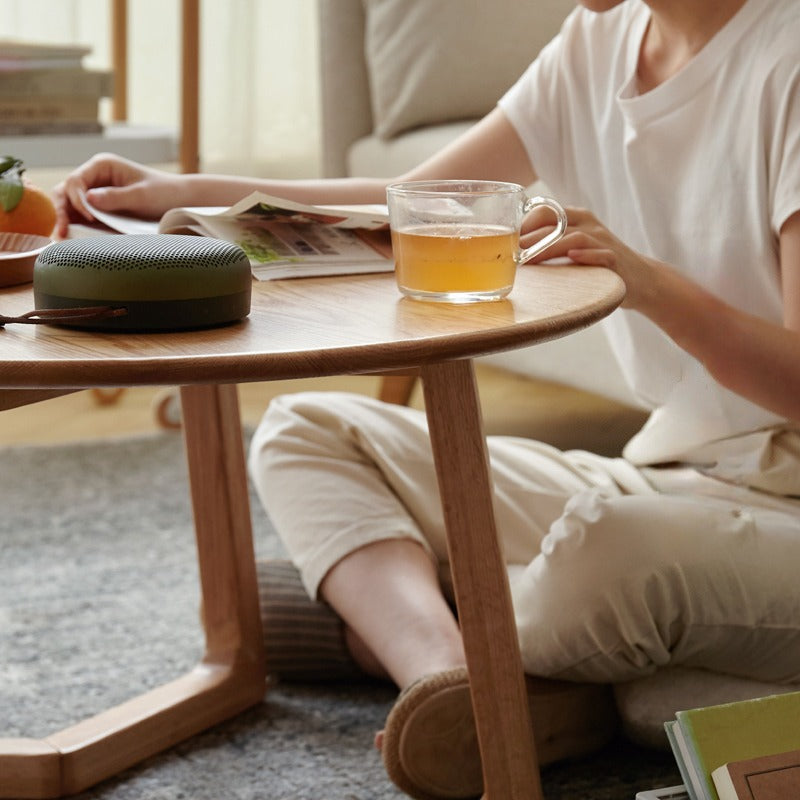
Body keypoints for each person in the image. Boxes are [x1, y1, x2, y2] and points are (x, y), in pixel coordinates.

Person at [54, 0, 800, 797]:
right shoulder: (599, 42)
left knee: (618, 562)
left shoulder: (785, 55)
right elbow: (412, 203)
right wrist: (180, 193)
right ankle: (454, 687)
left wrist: (649, 284)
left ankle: (383, 618)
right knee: (306, 429)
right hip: (674, 475)